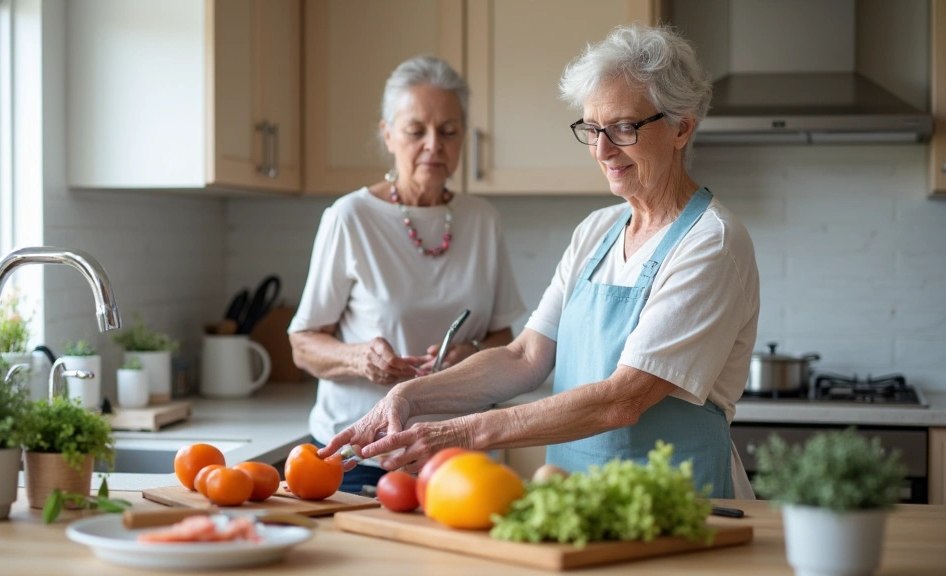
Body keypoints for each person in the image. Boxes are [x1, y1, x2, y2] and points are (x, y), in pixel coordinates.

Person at [319, 25, 760, 499]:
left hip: (674, 510)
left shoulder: (710, 244)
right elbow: (524, 356)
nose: (602, 150)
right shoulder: (597, 231)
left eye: (624, 127)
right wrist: (407, 397)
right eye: (592, 129)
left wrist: (459, 433)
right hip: (571, 503)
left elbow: (622, 400)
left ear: (681, 127)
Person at [288, 55, 526, 495]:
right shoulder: (350, 217)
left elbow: (504, 339)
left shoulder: (482, 219)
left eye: (449, 131)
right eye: (416, 131)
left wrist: (470, 352)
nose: (434, 144)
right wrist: (358, 358)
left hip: (458, 454)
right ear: (388, 134)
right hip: (360, 454)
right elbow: (303, 345)